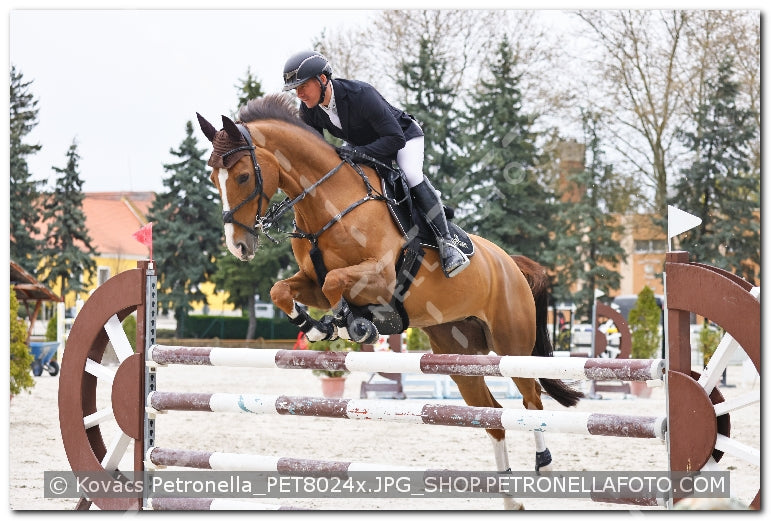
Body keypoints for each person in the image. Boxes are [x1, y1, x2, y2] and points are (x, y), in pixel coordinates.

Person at [281, 50, 470, 278]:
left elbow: (395, 139)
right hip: (366, 149)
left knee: (410, 175)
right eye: (295, 89)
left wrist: (356, 152)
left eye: (302, 86)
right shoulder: (309, 111)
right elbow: (314, 152)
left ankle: (447, 244)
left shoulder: (361, 94)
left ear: (322, 79)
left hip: (403, 137)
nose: (299, 93)